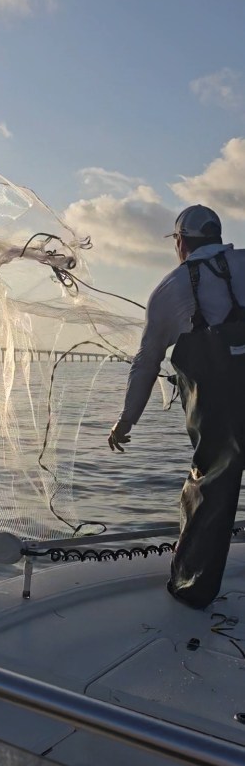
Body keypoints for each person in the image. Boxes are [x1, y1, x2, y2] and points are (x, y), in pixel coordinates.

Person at [108, 204, 245, 608]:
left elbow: (147, 361)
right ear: (218, 237)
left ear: (181, 242)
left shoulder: (172, 288)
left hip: (220, 410)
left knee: (211, 485)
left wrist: (126, 420)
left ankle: (192, 590)